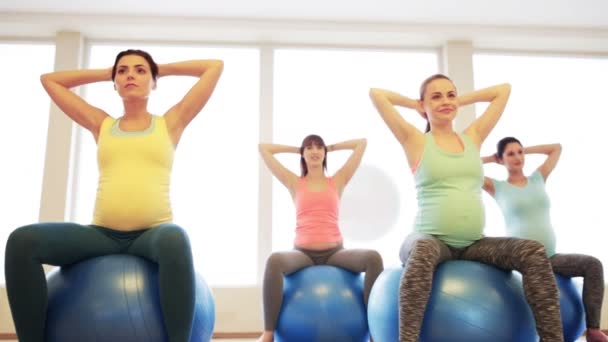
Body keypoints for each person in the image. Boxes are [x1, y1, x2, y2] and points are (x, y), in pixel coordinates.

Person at [4, 49, 223, 342]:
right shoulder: (102, 124)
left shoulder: (170, 123)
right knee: (22, 242)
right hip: (102, 235)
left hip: (153, 234)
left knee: (176, 237)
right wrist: (106, 72)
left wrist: (159, 68)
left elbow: (214, 67)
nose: (130, 74)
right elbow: (50, 81)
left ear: (154, 82)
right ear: (114, 81)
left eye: (140, 70)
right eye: (122, 71)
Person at [369, 74, 565, 342]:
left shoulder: (472, 137)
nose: (446, 101)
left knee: (532, 251)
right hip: (429, 239)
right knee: (424, 250)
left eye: (451, 94)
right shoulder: (414, 140)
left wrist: (458, 100)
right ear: (423, 105)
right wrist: (415, 103)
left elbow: (503, 91)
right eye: (436, 96)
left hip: (474, 244)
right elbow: (377, 94)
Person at [257, 135, 384, 342]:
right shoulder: (294, 182)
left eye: (318, 147)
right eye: (309, 148)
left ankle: (373, 332)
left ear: (324, 153)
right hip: (302, 254)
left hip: (335, 253)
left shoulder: (338, 180)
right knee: (274, 261)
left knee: (373, 258)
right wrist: (296, 148)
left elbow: (361, 143)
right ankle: (268, 332)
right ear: (303, 154)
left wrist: (331, 147)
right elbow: (264, 148)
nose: (314, 151)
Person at [482, 137, 608, 342]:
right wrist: (490, 158)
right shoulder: (497, 187)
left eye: (519, 152)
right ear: (501, 158)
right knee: (542, 296)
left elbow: (556, 148)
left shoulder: (537, 178)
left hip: (550, 257)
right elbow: (465, 170)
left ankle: (593, 330)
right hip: (525, 263)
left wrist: (525, 149)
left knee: (592, 265)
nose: (518, 157)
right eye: (511, 153)